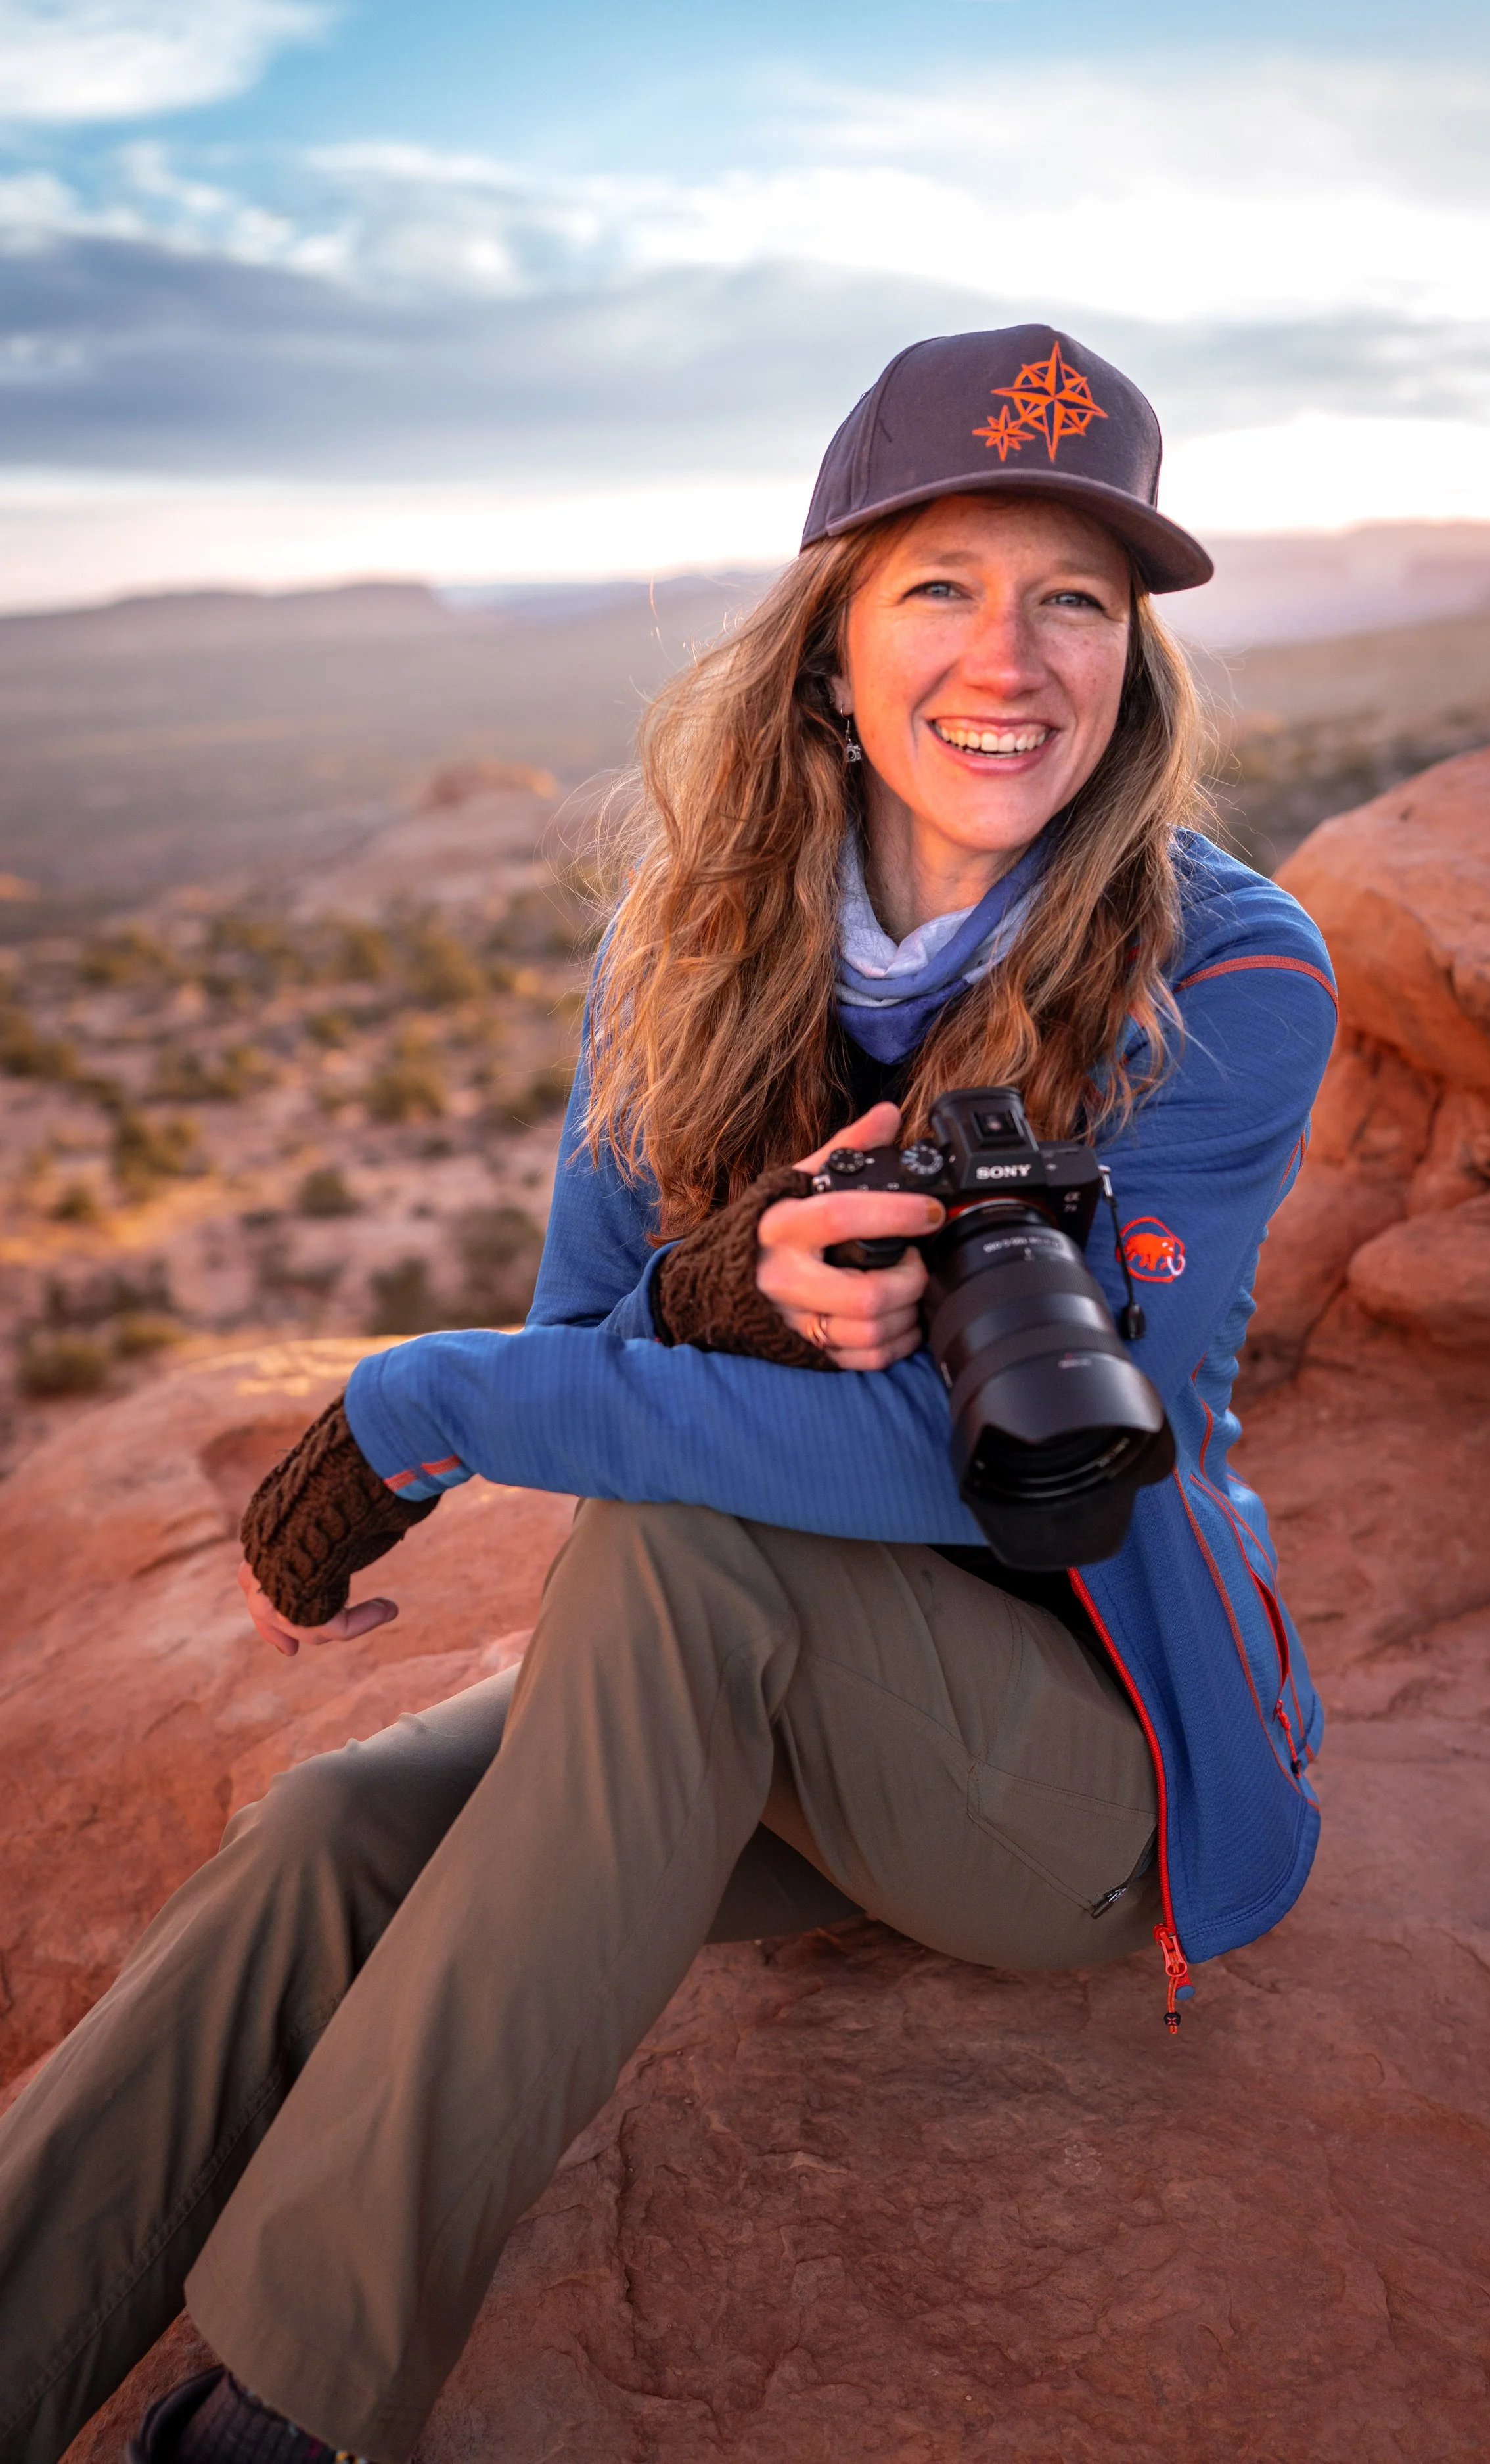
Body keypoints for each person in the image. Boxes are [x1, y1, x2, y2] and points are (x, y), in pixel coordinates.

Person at [0, 325, 1337, 2464]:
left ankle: (284, 2411)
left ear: (1136, 659)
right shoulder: (693, 943)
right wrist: (718, 1288)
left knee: (680, 1537)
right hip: (759, 1721)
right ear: (825, 641)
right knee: (345, 1821)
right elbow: (599, 1334)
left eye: (1075, 595)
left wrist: (422, 1404)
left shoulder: (1227, 973)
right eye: (941, 585)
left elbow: (1045, 1471)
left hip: (1080, 1774)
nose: (1013, 656)